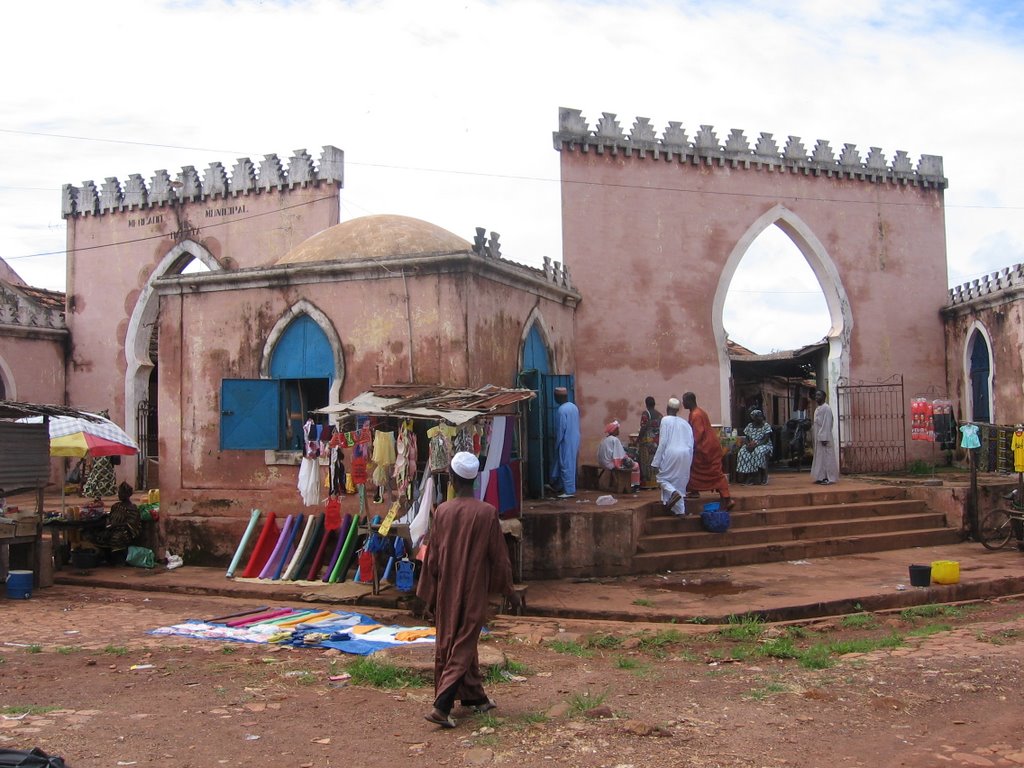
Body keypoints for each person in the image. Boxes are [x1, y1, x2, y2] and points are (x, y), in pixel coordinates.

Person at [417, 452, 519, 729]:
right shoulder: (487, 513)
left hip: (446, 588)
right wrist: (509, 590)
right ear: (474, 479)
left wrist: (428, 594)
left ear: (451, 478)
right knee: (464, 643)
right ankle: (442, 706)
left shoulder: (442, 511)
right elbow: (498, 556)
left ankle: (475, 698)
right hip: (474, 588)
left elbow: (433, 557)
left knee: (453, 640)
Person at [681, 392, 733, 510]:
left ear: (689, 401)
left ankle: (727, 497)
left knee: (714, 473)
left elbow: (698, 434)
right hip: (707, 447)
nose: (683, 403)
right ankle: (694, 490)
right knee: (693, 468)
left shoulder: (696, 415)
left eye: (684, 401)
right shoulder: (697, 412)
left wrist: (690, 447)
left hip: (707, 449)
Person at [650, 397, 694, 515]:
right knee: (679, 481)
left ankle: (673, 493)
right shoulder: (685, 423)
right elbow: (691, 443)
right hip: (685, 454)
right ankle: (680, 512)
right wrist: (689, 459)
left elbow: (663, 442)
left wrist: (655, 462)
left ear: (667, 408)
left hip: (671, 452)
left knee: (662, 478)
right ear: (678, 410)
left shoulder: (665, 420)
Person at [90, 481, 141, 563]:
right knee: (96, 534)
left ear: (127, 494)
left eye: (121, 493)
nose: (119, 495)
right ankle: (106, 556)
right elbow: (110, 517)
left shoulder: (132, 508)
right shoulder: (116, 506)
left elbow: (132, 524)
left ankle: (117, 559)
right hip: (112, 529)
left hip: (125, 531)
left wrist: (116, 525)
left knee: (116, 537)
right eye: (119, 492)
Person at [549, 386, 580, 499]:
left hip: (566, 440)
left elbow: (561, 429)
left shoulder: (561, 410)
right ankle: (560, 486)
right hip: (574, 439)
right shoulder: (574, 407)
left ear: (557, 397)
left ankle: (569, 490)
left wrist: (557, 442)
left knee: (565, 465)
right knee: (570, 464)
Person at [596, 421, 640, 491]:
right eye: (617, 429)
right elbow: (619, 455)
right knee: (636, 465)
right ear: (614, 430)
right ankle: (634, 485)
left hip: (603, 462)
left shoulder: (604, 439)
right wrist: (628, 458)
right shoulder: (615, 440)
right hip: (609, 464)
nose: (618, 431)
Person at [810, 390, 840, 485]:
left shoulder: (826, 408)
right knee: (820, 458)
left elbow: (827, 424)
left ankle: (829, 477)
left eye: (819, 395)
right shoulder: (818, 408)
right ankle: (820, 476)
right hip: (818, 437)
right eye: (816, 395)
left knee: (827, 458)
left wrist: (824, 437)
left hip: (824, 437)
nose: (816, 397)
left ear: (824, 397)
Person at [736, 409, 772, 485]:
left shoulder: (766, 426)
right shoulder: (749, 426)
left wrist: (756, 445)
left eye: (761, 416)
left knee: (758, 452)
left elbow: (766, 440)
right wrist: (748, 444)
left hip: (764, 445)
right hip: (751, 444)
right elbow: (747, 438)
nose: (760, 418)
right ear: (754, 418)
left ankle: (762, 476)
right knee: (743, 452)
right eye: (758, 416)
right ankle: (749, 476)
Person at [638, 395, 662, 490]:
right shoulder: (660, 415)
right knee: (655, 461)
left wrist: (638, 439)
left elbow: (643, 427)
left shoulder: (646, 414)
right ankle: (656, 483)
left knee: (646, 462)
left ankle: (647, 484)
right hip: (657, 442)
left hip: (647, 443)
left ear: (646, 404)